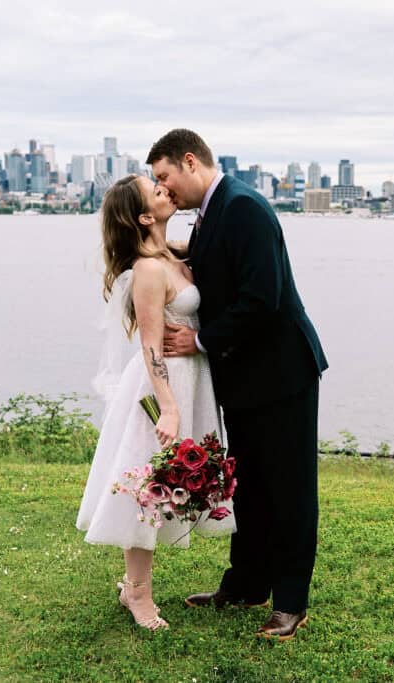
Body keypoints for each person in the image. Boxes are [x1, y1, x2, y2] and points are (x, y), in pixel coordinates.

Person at [151, 129, 328, 641]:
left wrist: (200, 340)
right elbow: (201, 263)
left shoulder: (245, 206)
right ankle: (247, 584)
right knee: (248, 483)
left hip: (282, 372)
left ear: (189, 161)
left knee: (290, 489)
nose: (164, 189)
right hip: (245, 376)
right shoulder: (210, 214)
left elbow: (262, 297)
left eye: (164, 177)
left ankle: (290, 601)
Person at [75, 173, 234, 631]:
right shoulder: (148, 269)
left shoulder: (174, 254)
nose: (165, 189)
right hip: (159, 388)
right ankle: (137, 594)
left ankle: (135, 587)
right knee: (148, 490)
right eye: (156, 189)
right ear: (145, 216)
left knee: (167, 487)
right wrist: (168, 406)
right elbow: (149, 344)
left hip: (192, 380)